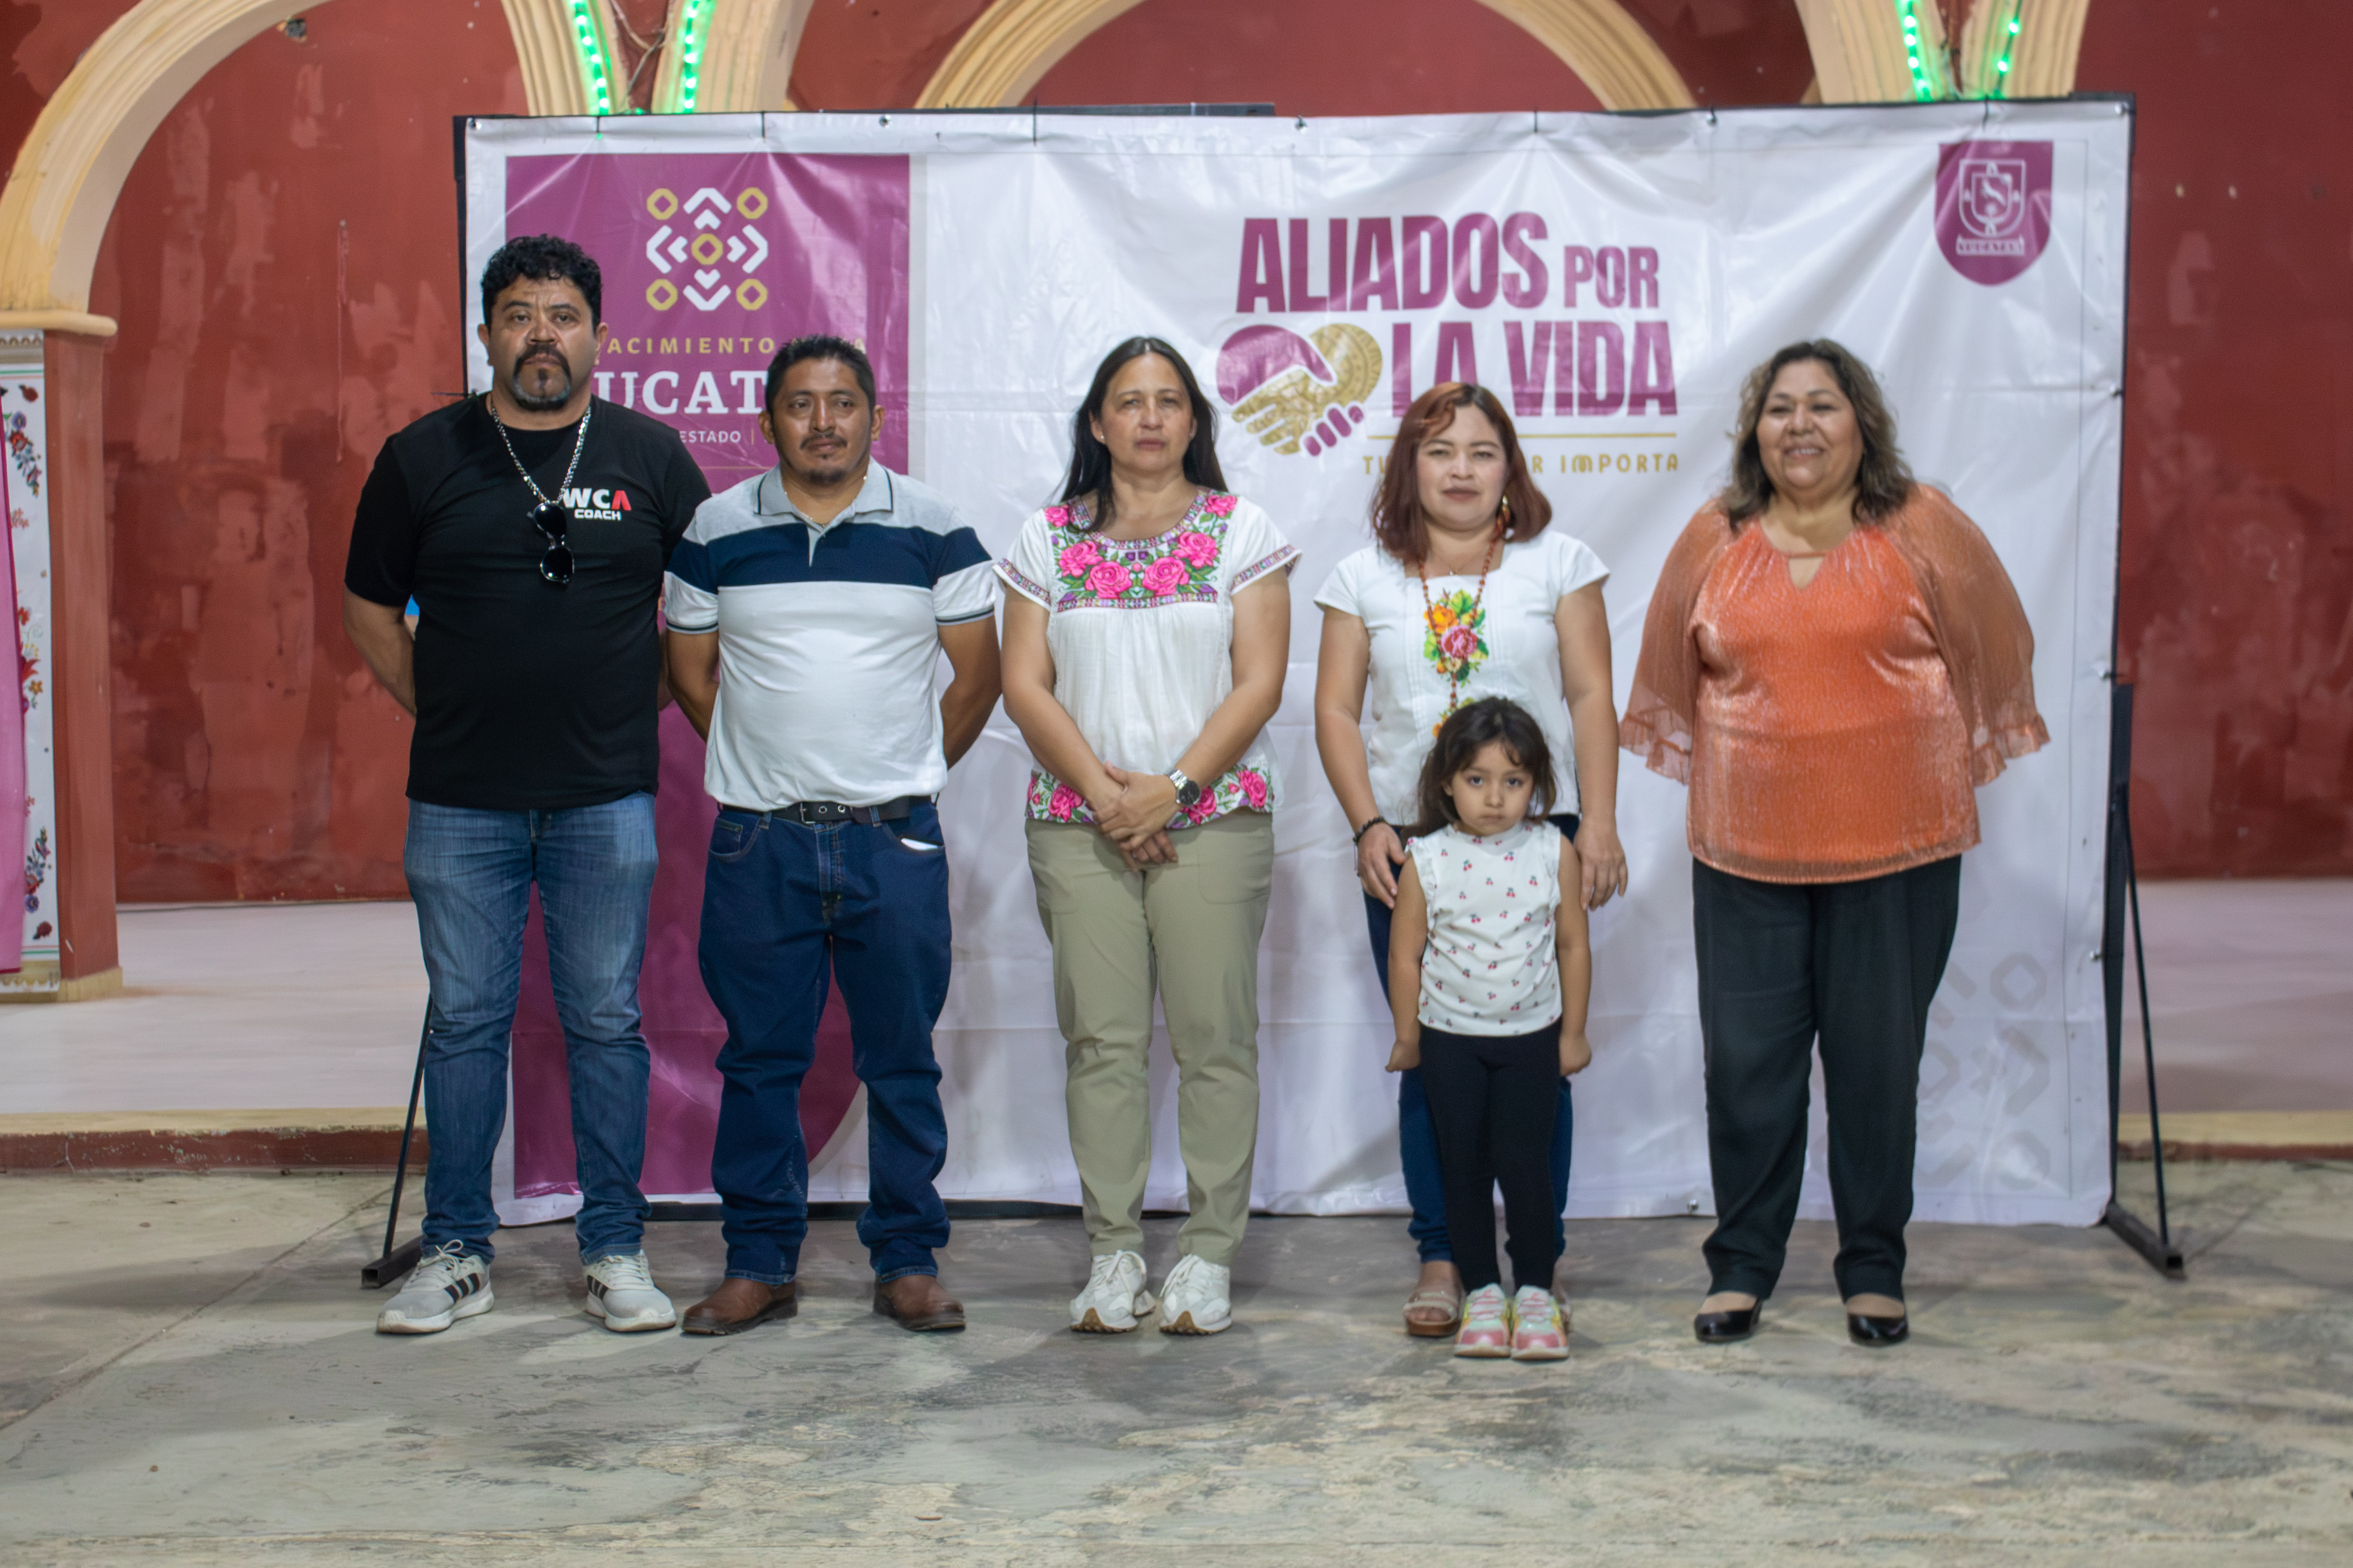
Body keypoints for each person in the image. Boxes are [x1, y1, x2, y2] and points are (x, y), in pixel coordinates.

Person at [1621, 339, 2047, 1349]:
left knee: (1872, 1065)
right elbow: (1667, 680)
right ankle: (1743, 1267)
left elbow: (2001, 640)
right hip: (1744, 855)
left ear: (1864, 424)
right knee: (1747, 1067)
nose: (1799, 425)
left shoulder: (1922, 525)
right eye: (1779, 409)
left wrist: (1935, 752)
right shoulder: (1711, 537)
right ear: (1753, 430)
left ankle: (1873, 1267)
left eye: (1823, 405)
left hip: (1897, 852)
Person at [344, 235, 711, 1335]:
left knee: (605, 1019)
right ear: (487, 331)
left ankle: (614, 1246)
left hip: (607, 796)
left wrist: (612, 708)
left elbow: (701, 610)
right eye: (518, 313)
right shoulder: (423, 456)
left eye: (561, 313)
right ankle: (458, 1248)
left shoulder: (652, 456)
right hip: (461, 797)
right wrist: (447, 707)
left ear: (599, 334)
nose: (541, 333)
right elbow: (370, 606)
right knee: (465, 1021)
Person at [663, 335, 1000, 1335]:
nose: (823, 421)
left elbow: (976, 679)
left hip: (892, 842)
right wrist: (767, 767)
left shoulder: (936, 527)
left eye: (842, 403)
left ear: (874, 418)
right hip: (757, 843)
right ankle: (759, 1260)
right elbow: (690, 674)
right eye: (801, 404)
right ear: (769, 421)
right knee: (761, 1057)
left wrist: (898, 778)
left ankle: (907, 1257)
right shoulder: (716, 529)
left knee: (900, 1056)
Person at [997, 336, 1296, 1337]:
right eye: (1130, 401)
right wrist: (1107, 796)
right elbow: (1024, 683)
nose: (1151, 418)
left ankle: (1207, 1253)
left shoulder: (1239, 528)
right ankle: (1115, 1251)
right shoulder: (1045, 539)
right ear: (1097, 422)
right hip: (1081, 826)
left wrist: (1170, 789)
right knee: (1104, 1043)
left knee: (1216, 1042)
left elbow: (1259, 679)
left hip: (1211, 821)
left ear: (1196, 421)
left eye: (1171, 401)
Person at [1311, 381, 1624, 1338]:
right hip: (1412, 853)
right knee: (1429, 1055)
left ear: (1509, 467)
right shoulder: (1362, 576)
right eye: (1439, 450)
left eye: (1482, 452)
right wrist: (1370, 823)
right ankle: (1444, 1254)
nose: (1460, 469)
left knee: (1542, 1058)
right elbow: (1334, 711)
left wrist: (1598, 826)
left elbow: (1590, 696)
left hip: (1542, 843)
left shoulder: (1558, 564)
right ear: (1410, 465)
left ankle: (1540, 1265)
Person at [1385, 699, 1592, 1361]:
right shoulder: (1428, 858)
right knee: (1464, 1170)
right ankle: (1480, 1292)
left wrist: (1573, 1034)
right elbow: (1405, 954)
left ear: (1537, 785)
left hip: (1531, 1040)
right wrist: (1408, 1035)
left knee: (1527, 1169)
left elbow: (1572, 947)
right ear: (1446, 781)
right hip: (1451, 1043)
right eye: (1477, 780)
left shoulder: (1551, 850)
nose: (1496, 798)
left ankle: (1534, 1292)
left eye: (1514, 781)